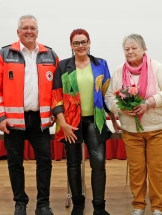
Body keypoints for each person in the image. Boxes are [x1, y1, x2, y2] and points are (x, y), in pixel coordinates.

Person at [0, 14, 58, 215]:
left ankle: (43, 204)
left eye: (32, 28)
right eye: (25, 28)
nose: (29, 31)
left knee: (44, 162)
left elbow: (57, 88)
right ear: (18, 32)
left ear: (37, 32)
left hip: (40, 120)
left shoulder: (50, 55)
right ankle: (20, 203)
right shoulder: (3, 54)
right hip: (12, 122)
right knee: (15, 163)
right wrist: (0, 117)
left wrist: (54, 112)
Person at [105, 34, 162, 215]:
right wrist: (122, 109)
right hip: (131, 130)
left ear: (144, 49)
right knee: (136, 171)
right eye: (127, 49)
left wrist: (148, 103)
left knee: (157, 170)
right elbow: (109, 97)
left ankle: (158, 208)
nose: (130, 51)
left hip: (157, 130)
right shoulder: (118, 71)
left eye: (134, 48)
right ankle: (138, 206)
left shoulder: (156, 67)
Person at [51, 29, 120, 215]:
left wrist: (113, 119)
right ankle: (78, 205)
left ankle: (99, 207)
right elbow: (56, 97)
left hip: (95, 122)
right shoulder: (63, 66)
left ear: (89, 43)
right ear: (71, 45)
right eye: (76, 43)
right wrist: (63, 124)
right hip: (70, 124)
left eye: (83, 42)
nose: (80, 46)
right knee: (73, 164)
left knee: (98, 164)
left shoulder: (100, 64)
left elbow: (107, 95)